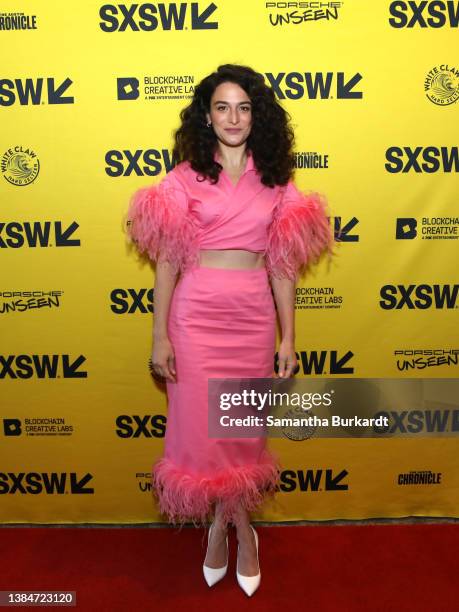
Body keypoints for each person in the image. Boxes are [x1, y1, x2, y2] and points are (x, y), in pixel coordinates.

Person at [125, 64, 334, 597]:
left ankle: (227, 525)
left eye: (243, 107)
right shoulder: (183, 179)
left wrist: (288, 338)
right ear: (207, 115)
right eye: (222, 107)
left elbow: (283, 267)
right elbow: (167, 264)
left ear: (256, 115)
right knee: (202, 433)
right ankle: (238, 526)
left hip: (251, 317)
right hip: (195, 318)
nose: (233, 117)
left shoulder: (277, 181)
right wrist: (159, 336)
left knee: (240, 433)